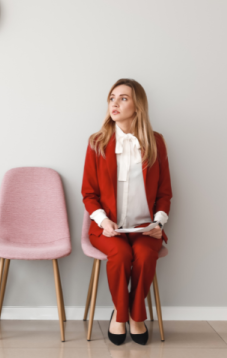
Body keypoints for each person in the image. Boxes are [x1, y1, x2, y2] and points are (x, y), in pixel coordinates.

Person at [81, 78, 172, 345]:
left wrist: (159, 222)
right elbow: (89, 193)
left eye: (123, 98)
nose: (115, 103)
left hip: (146, 228)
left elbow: (165, 192)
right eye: (112, 98)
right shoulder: (97, 142)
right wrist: (103, 220)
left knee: (144, 256)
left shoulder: (156, 142)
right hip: (108, 228)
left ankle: (133, 315)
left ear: (138, 105)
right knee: (120, 256)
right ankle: (124, 316)